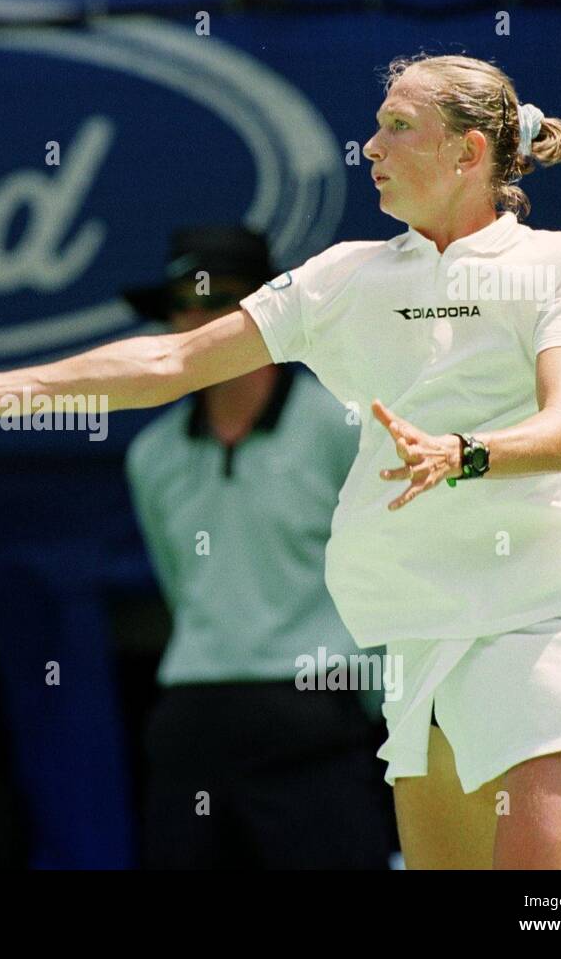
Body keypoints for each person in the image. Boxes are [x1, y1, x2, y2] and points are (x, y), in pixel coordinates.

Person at [0, 53, 561, 870]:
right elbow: (167, 365)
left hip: (541, 625)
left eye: (398, 127)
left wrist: (461, 453)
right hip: (421, 643)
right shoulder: (344, 279)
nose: (371, 147)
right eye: (376, 125)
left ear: (469, 153)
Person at [120, 225, 391, 868]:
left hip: (319, 717)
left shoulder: (342, 426)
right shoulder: (151, 456)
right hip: (192, 724)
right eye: (183, 304)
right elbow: (181, 587)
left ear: (264, 315)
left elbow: (386, 575)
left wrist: (389, 706)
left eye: (221, 303)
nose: (200, 323)